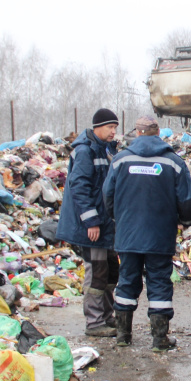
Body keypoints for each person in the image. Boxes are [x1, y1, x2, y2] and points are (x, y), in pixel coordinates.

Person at [103, 115, 191, 349]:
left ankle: (123, 336)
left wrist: (120, 218)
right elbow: (186, 199)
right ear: (157, 134)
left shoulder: (120, 160)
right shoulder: (173, 162)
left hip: (128, 234)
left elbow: (107, 196)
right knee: (159, 282)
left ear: (136, 133)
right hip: (160, 234)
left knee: (126, 281)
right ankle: (159, 339)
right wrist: (184, 220)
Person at [56, 108, 120, 337]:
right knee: (97, 272)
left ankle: (108, 316)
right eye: (110, 128)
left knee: (112, 271)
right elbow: (80, 188)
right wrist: (91, 221)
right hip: (92, 227)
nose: (114, 132)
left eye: (115, 128)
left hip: (106, 225)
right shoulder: (85, 151)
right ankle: (94, 323)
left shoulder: (106, 149)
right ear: (97, 127)